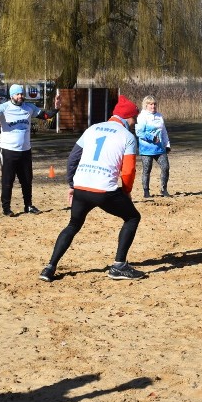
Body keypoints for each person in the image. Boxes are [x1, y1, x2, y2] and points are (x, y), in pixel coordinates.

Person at [39, 95, 144, 282]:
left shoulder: (92, 128)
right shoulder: (128, 136)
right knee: (132, 217)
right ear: (127, 118)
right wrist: (126, 192)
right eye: (134, 118)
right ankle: (119, 266)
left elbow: (72, 159)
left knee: (73, 225)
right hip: (104, 191)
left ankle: (49, 267)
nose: (134, 122)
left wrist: (72, 185)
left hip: (82, 187)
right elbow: (128, 171)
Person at [0, 85, 59, 217]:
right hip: (9, 150)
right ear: (12, 95)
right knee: (8, 180)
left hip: (25, 150)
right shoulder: (4, 107)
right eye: (17, 94)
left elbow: (46, 115)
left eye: (21, 94)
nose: (20, 96)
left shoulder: (29, 107)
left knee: (27, 180)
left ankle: (28, 205)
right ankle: (6, 208)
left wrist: (56, 108)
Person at [135, 95, 172, 198]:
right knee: (147, 170)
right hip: (146, 149)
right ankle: (146, 192)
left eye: (154, 104)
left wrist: (167, 144)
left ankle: (163, 189)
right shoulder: (142, 116)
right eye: (150, 104)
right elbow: (139, 132)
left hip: (160, 148)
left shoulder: (159, 116)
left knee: (165, 167)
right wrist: (151, 137)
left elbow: (164, 132)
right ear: (146, 105)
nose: (153, 106)